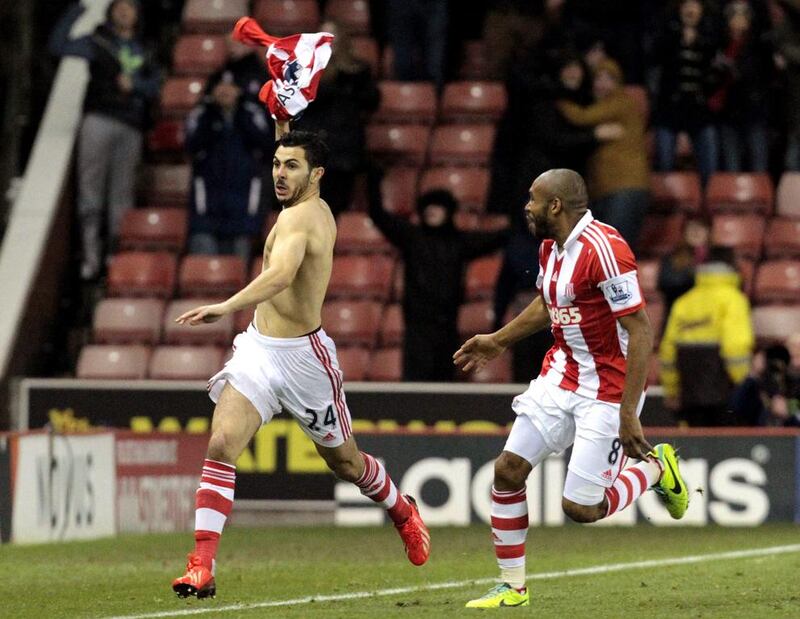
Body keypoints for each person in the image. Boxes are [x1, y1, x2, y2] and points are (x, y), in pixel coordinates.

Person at [170, 127, 430, 599]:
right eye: (275, 164)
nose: (279, 174)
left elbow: (282, 275)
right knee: (223, 441)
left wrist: (225, 306)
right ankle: (201, 566)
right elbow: (290, 138)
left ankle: (402, 511)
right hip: (259, 350)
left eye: (291, 165)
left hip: (305, 360)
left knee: (346, 464)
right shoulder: (297, 207)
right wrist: (281, 119)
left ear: (318, 175)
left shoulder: (305, 219)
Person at [453, 169, 689, 609]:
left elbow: (640, 331)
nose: (527, 206)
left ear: (555, 206)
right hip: (561, 374)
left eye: (533, 198)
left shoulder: (606, 250)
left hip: (608, 388)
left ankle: (657, 470)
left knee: (581, 510)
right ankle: (513, 587)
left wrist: (628, 413)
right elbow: (550, 302)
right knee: (506, 471)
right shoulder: (551, 247)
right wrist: (498, 340)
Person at [48, 0, 160, 280]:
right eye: (119, 7)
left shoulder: (144, 48)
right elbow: (58, 45)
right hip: (98, 119)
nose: (124, 11)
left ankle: (114, 256)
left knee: (121, 196)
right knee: (90, 193)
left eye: (130, 7)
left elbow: (156, 84)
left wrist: (135, 85)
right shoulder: (98, 41)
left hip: (130, 125)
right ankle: (90, 258)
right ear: (110, 12)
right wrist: (77, 9)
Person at [368, 172, 509, 381]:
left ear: (448, 211)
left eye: (438, 207)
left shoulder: (459, 242)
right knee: (415, 383)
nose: (432, 211)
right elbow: (379, 216)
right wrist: (373, 179)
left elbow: (499, 237)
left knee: (443, 382)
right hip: (417, 327)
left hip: (447, 325)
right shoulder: (412, 237)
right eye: (428, 207)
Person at [558, 58, 650, 252]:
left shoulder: (621, 101)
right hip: (610, 190)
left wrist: (558, 98)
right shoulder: (609, 108)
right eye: (598, 78)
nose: (602, 84)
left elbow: (581, 116)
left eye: (609, 78)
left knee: (612, 252)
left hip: (624, 188)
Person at [659, 246, 754, 426]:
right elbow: (735, 346)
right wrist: (742, 383)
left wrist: (672, 389)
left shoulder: (683, 302)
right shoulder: (733, 300)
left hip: (689, 394)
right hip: (725, 394)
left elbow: (668, 351)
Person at [294, 20, 380, 217]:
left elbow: (371, 100)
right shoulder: (305, 71)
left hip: (343, 152)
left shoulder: (358, 72)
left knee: (334, 210)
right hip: (313, 151)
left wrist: (348, 83)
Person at [184, 71, 272, 264]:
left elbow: (266, 144)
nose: (225, 91)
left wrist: (240, 114)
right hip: (206, 208)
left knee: (237, 274)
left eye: (231, 86)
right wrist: (212, 115)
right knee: (204, 272)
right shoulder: (202, 113)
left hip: (243, 208)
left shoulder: (251, 113)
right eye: (220, 86)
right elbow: (191, 144)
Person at [650, 0, 719, 185]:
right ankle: (668, 199)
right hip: (669, 108)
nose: (691, 10)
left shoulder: (710, 36)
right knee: (665, 162)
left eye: (695, 6)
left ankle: (707, 201)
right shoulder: (667, 32)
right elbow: (655, 57)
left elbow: (715, 72)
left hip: (699, 109)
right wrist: (678, 38)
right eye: (687, 6)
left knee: (709, 162)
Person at [709, 0, 773, 172]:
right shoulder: (720, 45)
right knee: (732, 168)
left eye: (743, 15)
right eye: (734, 15)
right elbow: (711, 81)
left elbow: (767, 76)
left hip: (755, 113)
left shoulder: (760, 46)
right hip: (728, 115)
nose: (738, 20)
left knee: (759, 168)